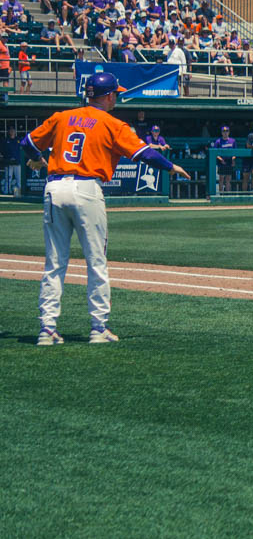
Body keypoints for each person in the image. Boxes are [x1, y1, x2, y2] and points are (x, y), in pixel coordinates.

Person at [20, 72, 189, 345]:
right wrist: (170, 167)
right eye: (116, 94)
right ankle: (98, 328)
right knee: (96, 261)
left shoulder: (61, 117)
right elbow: (144, 153)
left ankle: (47, 329)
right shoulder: (113, 123)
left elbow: (26, 143)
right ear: (109, 95)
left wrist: (39, 159)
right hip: (87, 189)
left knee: (54, 263)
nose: (117, 98)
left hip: (54, 187)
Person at [211, 125, 237, 193]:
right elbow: (215, 152)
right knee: (221, 179)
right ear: (221, 132)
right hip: (221, 162)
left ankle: (227, 194)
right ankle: (221, 194)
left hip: (229, 162)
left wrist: (233, 159)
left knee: (228, 179)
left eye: (227, 131)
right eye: (224, 131)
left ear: (229, 132)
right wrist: (221, 159)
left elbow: (235, 152)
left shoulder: (232, 141)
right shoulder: (218, 141)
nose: (225, 132)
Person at [3, 126, 22, 196]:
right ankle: (6, 191)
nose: (12, 131)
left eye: (13, 130)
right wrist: (7, 158)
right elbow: (3, 150)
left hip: (17, 162)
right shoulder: (6, 140)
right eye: (10, 130)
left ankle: (18, 192)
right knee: (8, 178)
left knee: (18, 178)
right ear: (8, 131)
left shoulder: (19, 140)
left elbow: (22, 150)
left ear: (15, 131)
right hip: (8, 162)